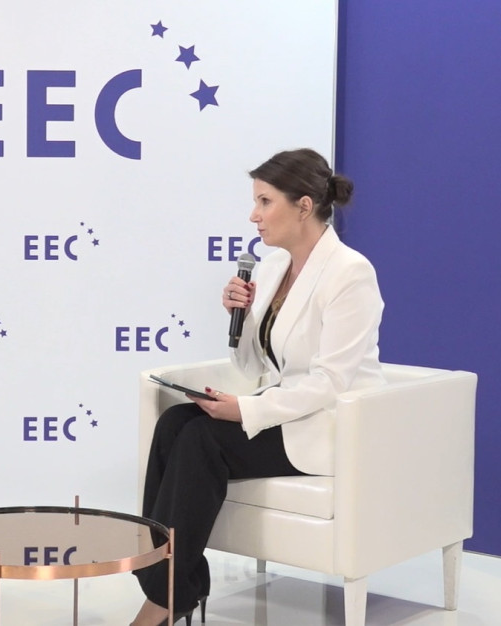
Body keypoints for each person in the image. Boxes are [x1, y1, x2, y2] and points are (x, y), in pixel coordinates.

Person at [130, 148, 384, 626]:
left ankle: (166, 599)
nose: (254, 215)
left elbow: (331, 382)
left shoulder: (350, 273)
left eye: (265, 202)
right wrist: (241, 318)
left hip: (327, 425)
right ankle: (172, 588)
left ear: (303, 206)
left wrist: (245, 411)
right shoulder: (271, 268)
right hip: (283, 410)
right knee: (175, 423)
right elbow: (251, 366)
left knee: (202, 438)